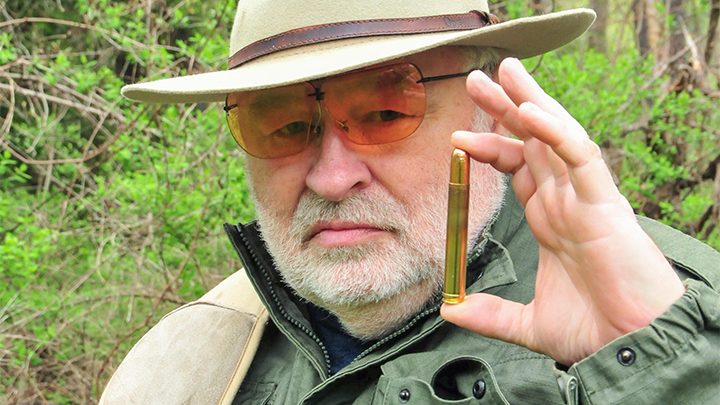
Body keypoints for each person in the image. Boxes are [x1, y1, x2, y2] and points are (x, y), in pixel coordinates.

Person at [100, 0, 720, 404]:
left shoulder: (675, 316)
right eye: (283, 123)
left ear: (495, 114)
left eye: (385, 110)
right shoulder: (189, 357)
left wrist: (658, 370)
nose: (331, 177)